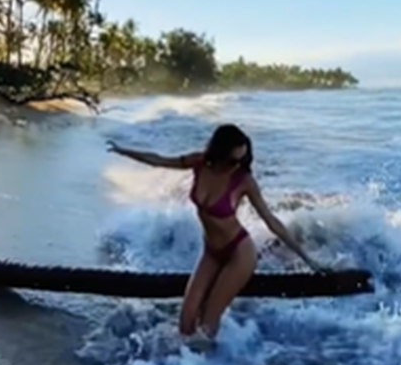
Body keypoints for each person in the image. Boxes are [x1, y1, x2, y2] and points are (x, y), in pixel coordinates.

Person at [107, 123, 325, 346]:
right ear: (219, 152)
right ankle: (190, 362)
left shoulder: (243, 180)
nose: (237, 165)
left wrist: (307, 258)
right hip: (211, 251)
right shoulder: (199, 162)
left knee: (206, 324)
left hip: (239, 253)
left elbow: (271, 220)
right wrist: (124, 151)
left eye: (242, 160)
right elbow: (160, 160)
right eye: (232, 160)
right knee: (186, 323)